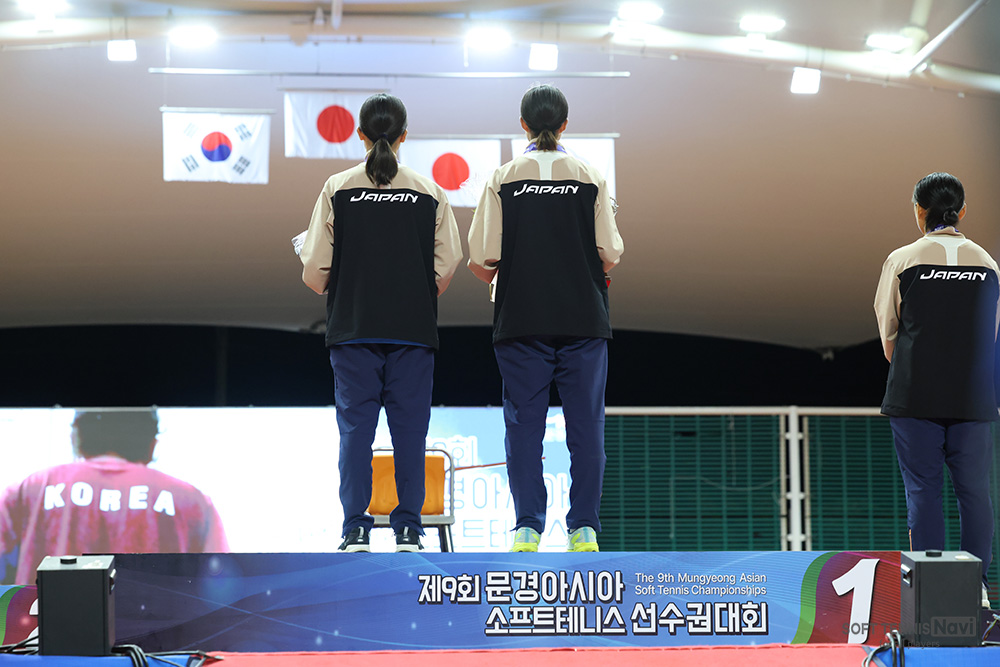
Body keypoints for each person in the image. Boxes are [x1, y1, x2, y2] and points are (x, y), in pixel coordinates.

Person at [299, 93, 462, 553]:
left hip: (354, 330)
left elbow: (315, 267)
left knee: (356, 433)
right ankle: (409, 529)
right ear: (405, 135)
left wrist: (335, 282)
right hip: (413, 331)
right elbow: (448, 261)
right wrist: (417, 291)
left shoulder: (338, 188)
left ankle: (355, 529)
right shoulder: (429, 191)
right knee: (410, 433)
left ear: (359, 134)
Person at [467, 84, 624, 553]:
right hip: (583, 318)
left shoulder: (503, 177)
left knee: (523, 428)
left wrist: (514, 271)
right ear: (565, 125)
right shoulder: (589, 175)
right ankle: (584, 529)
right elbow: (611, 251)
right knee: (586, 428)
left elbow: (481, 254)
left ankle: (528, 528)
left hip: (521, 318)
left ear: (523, 125)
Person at [874, 172, 999, 607]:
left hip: (915, 397)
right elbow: (991, 334)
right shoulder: (988, 264)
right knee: (975, 494)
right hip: (973, 398)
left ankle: (930, 593)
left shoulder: (902, 259)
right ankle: (977, 590)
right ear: (962, 211)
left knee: (923, 493)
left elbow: (889, 332)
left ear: (918, 211)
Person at [0, 409, 228, 585]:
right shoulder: (192, 502)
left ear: (77, 435)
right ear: (151, 443)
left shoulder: (30, 489)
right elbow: (224, 589)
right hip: (157, 633)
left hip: (44, 632)